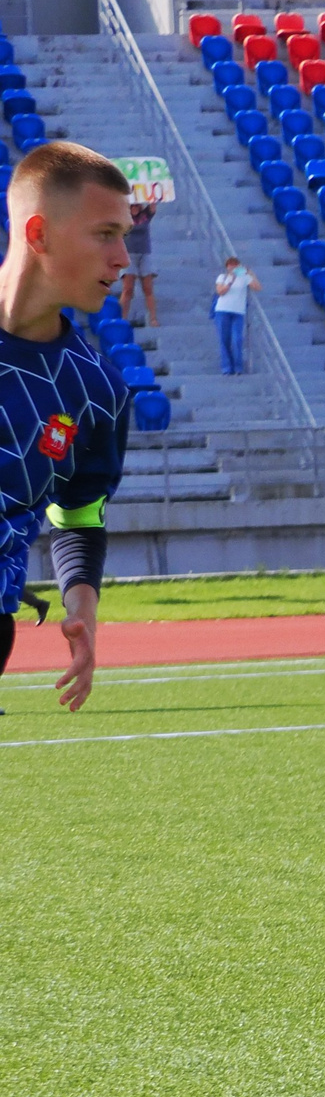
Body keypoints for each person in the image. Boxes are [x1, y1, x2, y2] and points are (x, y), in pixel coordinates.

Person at [0, 142, 133, 709]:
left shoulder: (97, 391)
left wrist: (82, 610)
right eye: (105, 234)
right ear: (39, 234)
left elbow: (78, 509)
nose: (123, 257)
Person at [211, 255, 259, 377]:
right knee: (224, 339)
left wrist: (250, 273)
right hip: (222, 311)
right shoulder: (222, 277)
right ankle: (227, 367)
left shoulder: (244, 278)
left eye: (235, 265)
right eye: (230, 266)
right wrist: (230, 281)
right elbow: (220, 291)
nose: (232, 268)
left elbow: (257, 287)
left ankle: (238, 367)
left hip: (238, 312)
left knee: (237, 339)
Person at [119, 198, 157, 328]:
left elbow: (153, 205)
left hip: (144, 253)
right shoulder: (123, 216)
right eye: (132, 205)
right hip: (128, 254)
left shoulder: (146, 214)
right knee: (128, 289)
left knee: (148, 288)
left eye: (136, 205)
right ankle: (122, 319)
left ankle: (153, 318)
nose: (134, 207)